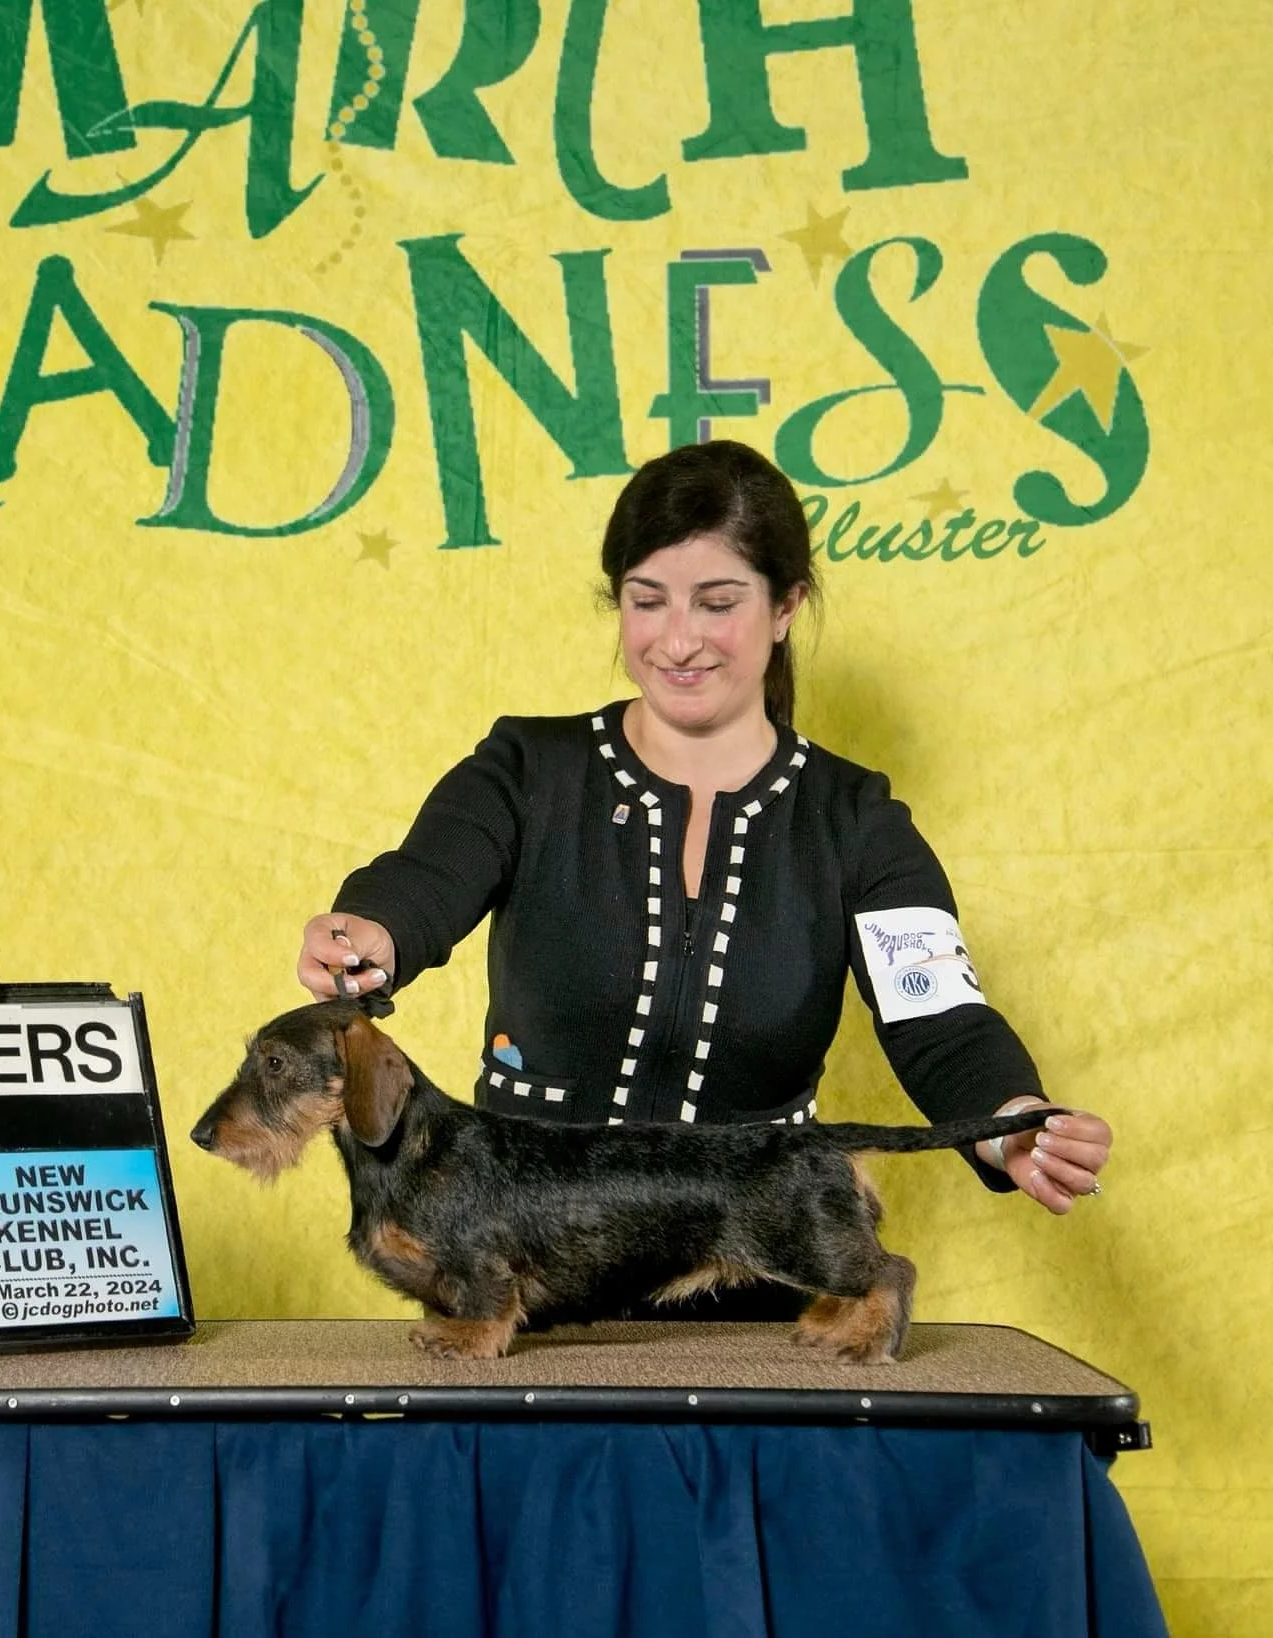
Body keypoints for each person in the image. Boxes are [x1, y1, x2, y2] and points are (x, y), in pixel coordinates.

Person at [293, 441, 1110, 1254]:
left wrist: (1012, 1123)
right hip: (523, 1276)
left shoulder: (854, 817)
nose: (677, 641)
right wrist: (371, 931)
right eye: (648, 601)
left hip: (763, 1278)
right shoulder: (526, 768)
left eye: (717, 602)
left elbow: (939, 1018)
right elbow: (425, 879)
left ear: (786, 606)